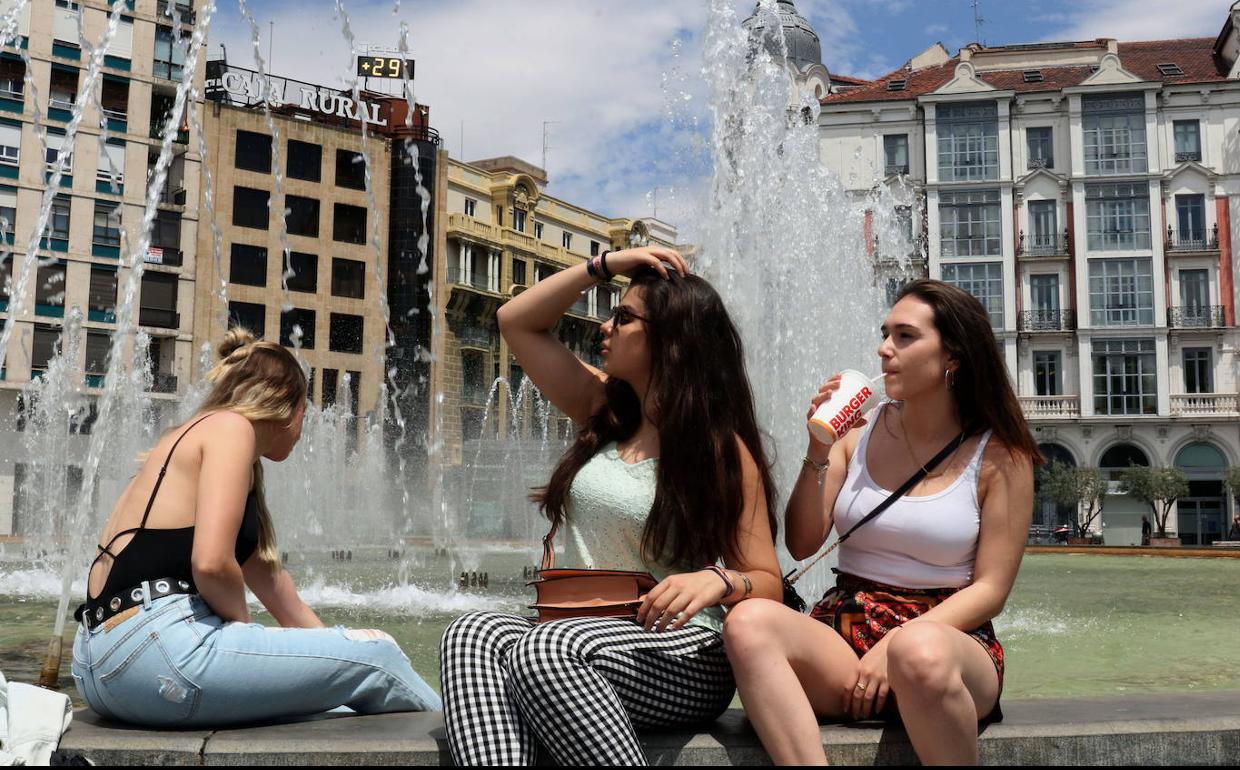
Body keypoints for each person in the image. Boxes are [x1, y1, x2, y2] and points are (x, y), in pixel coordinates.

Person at [439, 246, 783, 765]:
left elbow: (768, 579)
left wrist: (717, 580)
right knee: (469, 635)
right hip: (574, 637)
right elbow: (515, 321)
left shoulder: (720, 449)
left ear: (671, 339)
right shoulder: (604, 410)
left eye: (623, 317)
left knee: (544, 652)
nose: (606, 326)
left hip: (683, 652)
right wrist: (606, 266)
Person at [723, 279, 1041, 766]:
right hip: (847, 628)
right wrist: (818, 449)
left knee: (919, 652)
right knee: (746, 623)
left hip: (949, 640)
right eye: (884, 333)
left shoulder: (1000, 456)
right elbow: (803, 542)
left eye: (904, 336)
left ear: (952, 355)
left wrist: (895, 645)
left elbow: (991, 590)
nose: (883, 348)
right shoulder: (857, 433)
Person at [71, 330, 440, 727]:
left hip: (98, 663)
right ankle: (472, 739)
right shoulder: (231, 429)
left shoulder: (188, 437)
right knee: (380, 656)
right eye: (306, 410)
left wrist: (322, 653)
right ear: (289, 406)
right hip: (156, 652)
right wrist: (244, 636)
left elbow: (285, 601)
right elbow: (211, 564)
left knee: (348, 684)